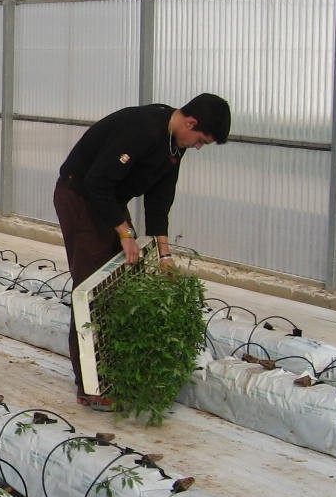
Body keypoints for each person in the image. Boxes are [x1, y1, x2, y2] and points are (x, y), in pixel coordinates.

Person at [53, 94, 231, 410]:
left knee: (122, 277)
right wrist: (124, 232)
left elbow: (160, 198)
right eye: (201, 140)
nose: (199, 146)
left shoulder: (175, 144)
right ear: (191, 123)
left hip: (109, 202)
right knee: (93, 287)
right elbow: (97, 183)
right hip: (80, 196)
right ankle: (90, 386)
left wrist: (164, 255)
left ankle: (114, 371)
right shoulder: (142, 128)